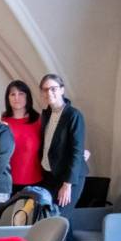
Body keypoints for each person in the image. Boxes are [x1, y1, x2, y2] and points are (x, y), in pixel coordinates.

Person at [39, 73, 87, 209]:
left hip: (69, 178)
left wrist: (67, 185)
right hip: (50, 175)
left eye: (53, 88)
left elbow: (77, 152)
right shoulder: (46, 115)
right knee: (51, 219)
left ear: (62, 90)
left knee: (59, 219)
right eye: (45, 89)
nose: (49, 93)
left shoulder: (73, 115)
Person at [2, 80, 43, 193]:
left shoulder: (39, 121)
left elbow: (55, 142)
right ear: (8, 98)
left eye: (21, 94)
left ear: (28, 96)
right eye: (12, 94)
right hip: (5, 182)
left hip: (34, 181)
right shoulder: (0, 122)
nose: (16, 98)